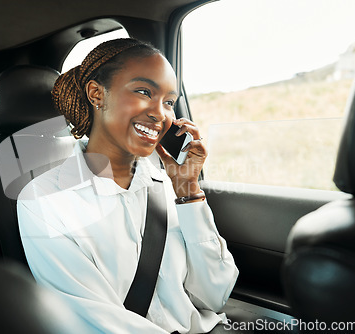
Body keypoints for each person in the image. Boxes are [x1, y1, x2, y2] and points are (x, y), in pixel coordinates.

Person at [17, 38, 238, 333]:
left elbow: (215, 296)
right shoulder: (45, 200)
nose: (161, 114)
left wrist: (190, 195)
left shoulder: (168, 186)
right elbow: (97, 322)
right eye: (144, 92)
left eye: (169, 102)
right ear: (97, 94)